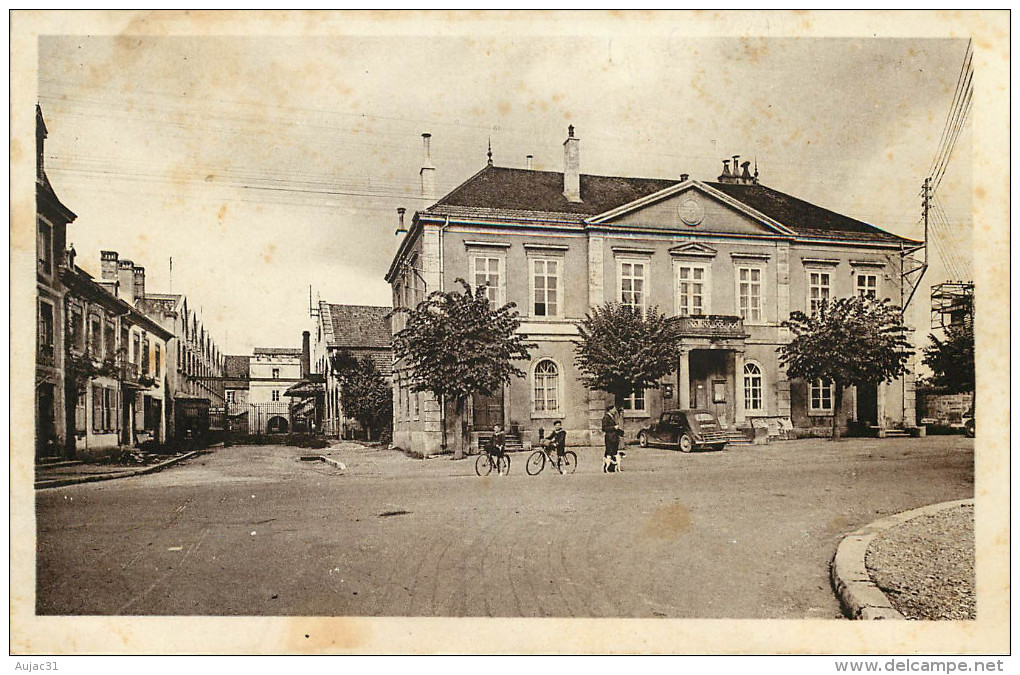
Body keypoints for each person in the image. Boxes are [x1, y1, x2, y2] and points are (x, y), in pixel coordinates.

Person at [602, 402, 622, 473]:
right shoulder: (606, 417)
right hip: (609, 437)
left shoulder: (611, 417)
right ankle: (606, 468)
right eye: (613, 409)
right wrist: (614, 427)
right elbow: (604, 428)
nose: (614, 410)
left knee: (613, 452)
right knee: (609, 452)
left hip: (613, 437)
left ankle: (611, 468)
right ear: (610, 410)